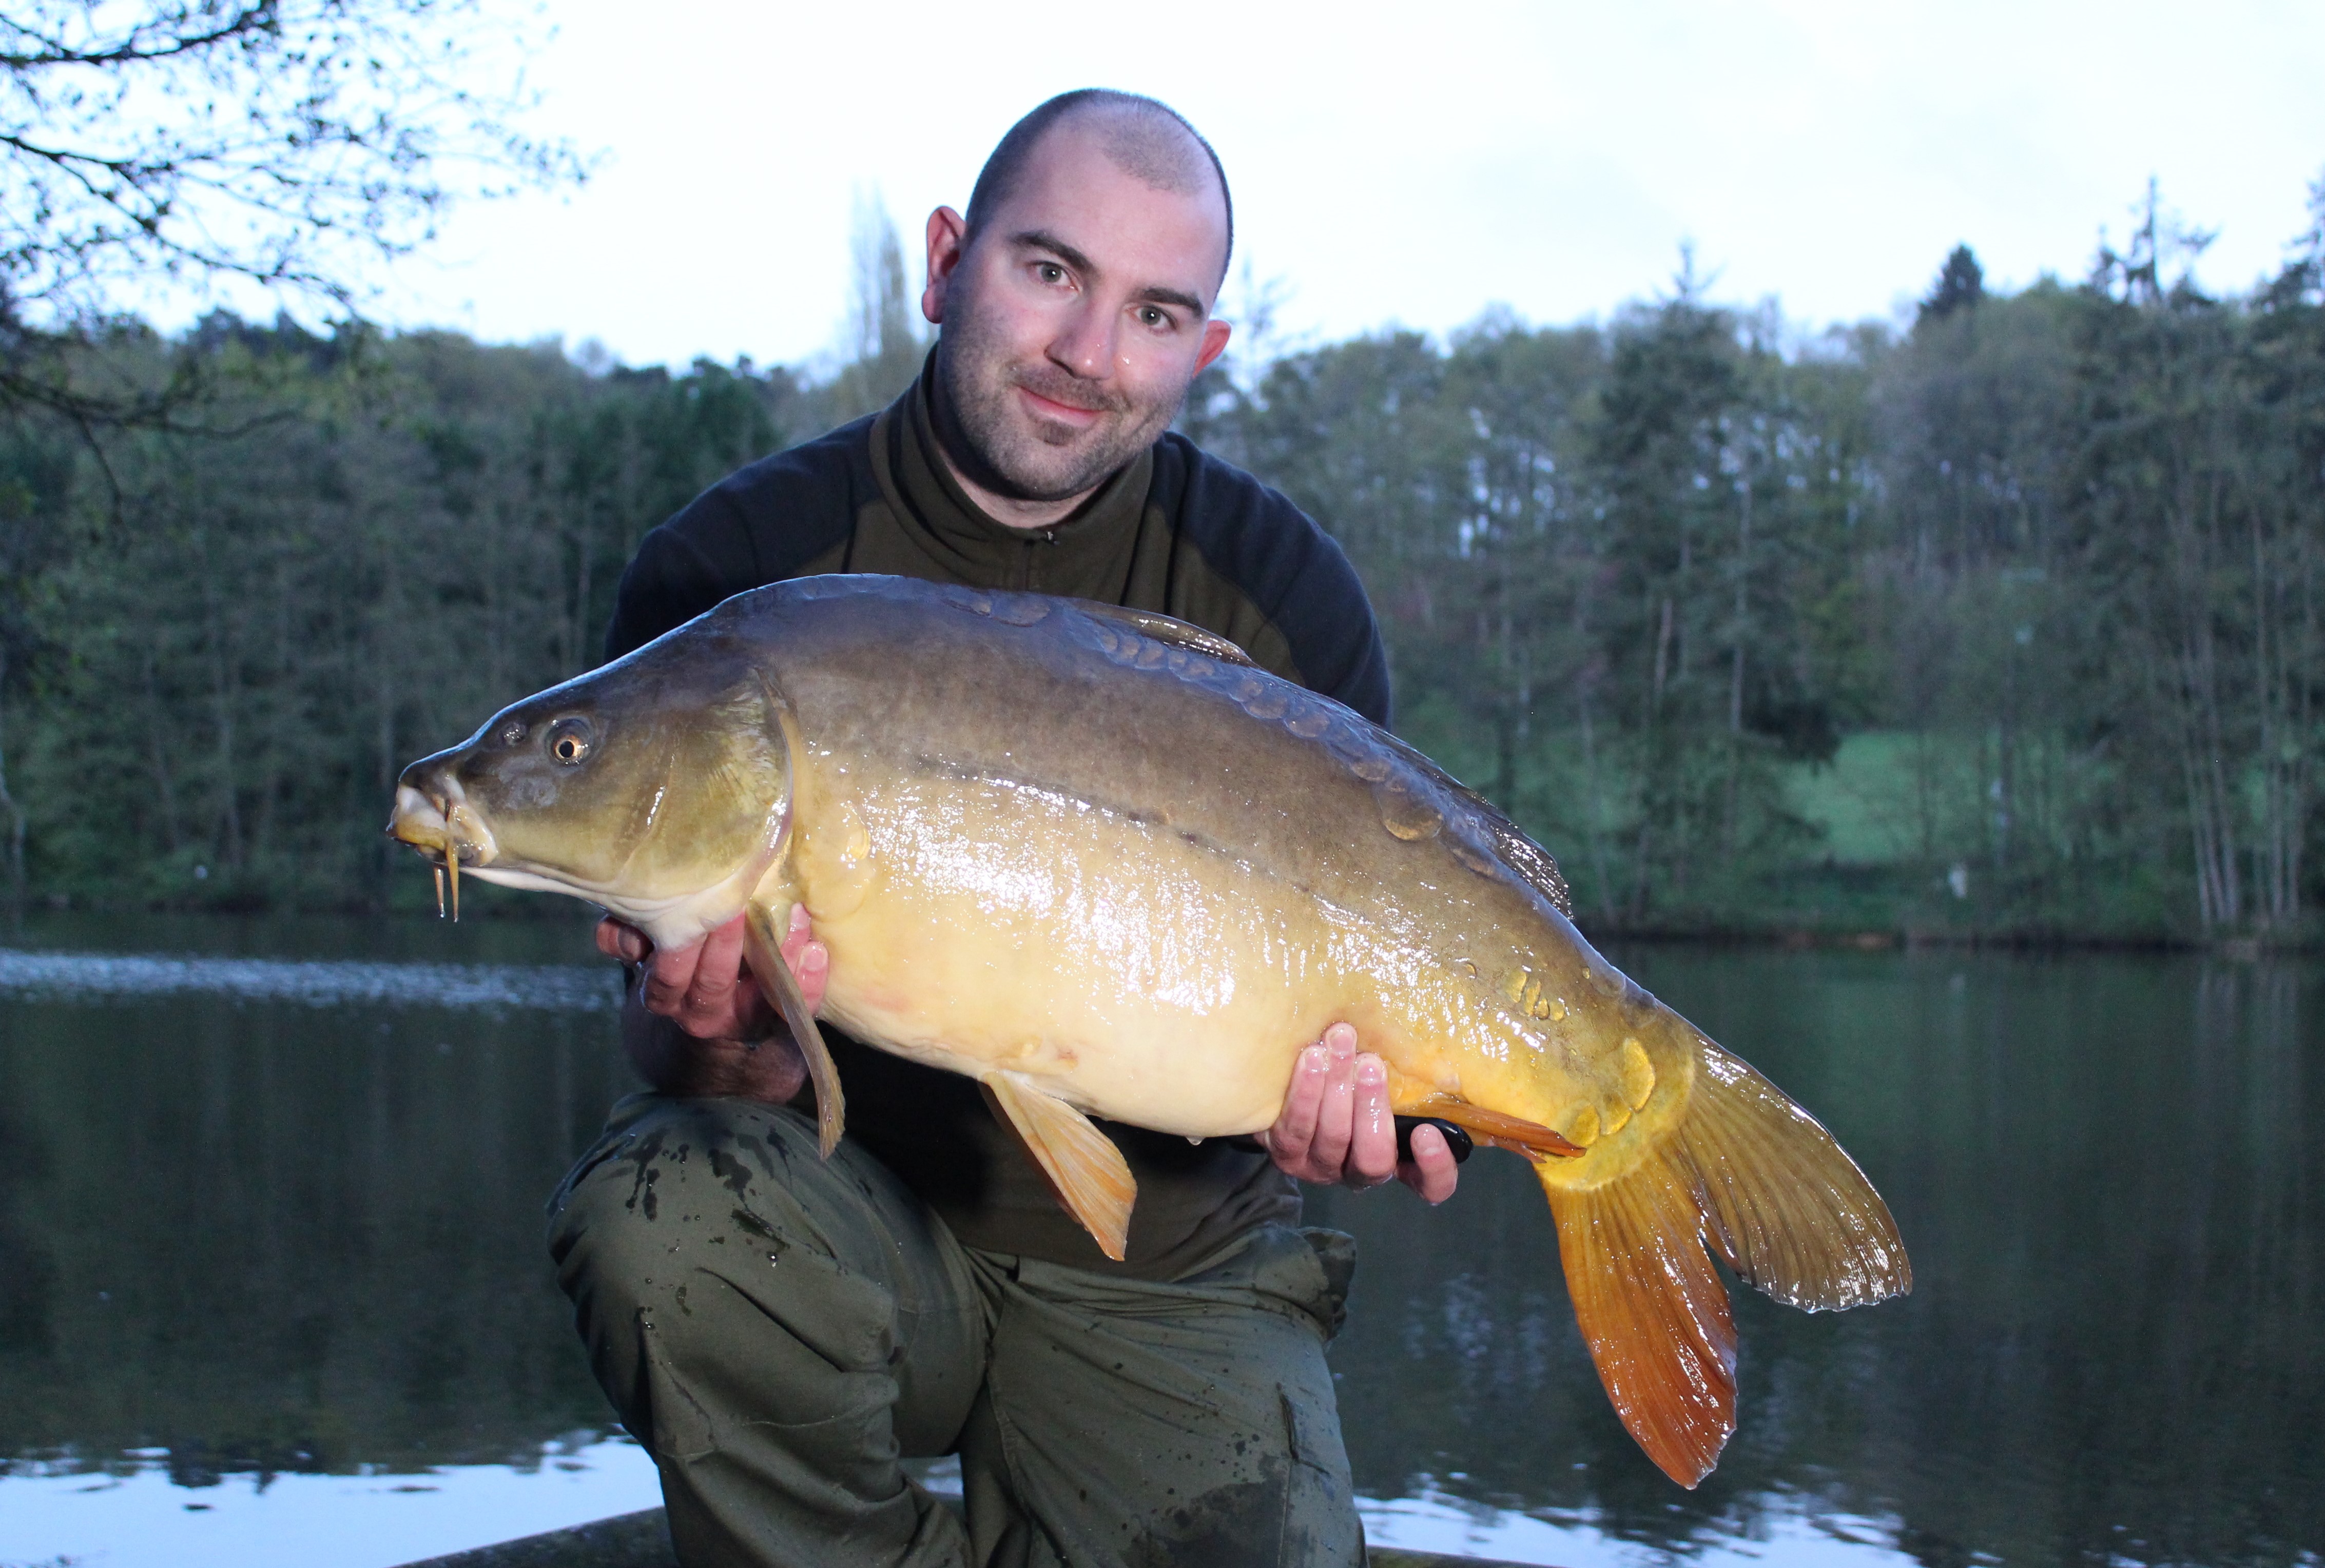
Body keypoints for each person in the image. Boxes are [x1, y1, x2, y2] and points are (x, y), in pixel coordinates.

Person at [548, 89, 1460, 1568]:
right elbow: (671, 1052)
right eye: (1050, 272)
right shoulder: (739, 572)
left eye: (1156, 313)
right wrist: (738, 1039)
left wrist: (1385, 1122)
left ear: (1205, 350)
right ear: (947, 261)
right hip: (851, 1227)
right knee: (656, 1216)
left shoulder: (1280, 597)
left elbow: (1389, 977)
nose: (1089, 356)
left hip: (1171, 1262)